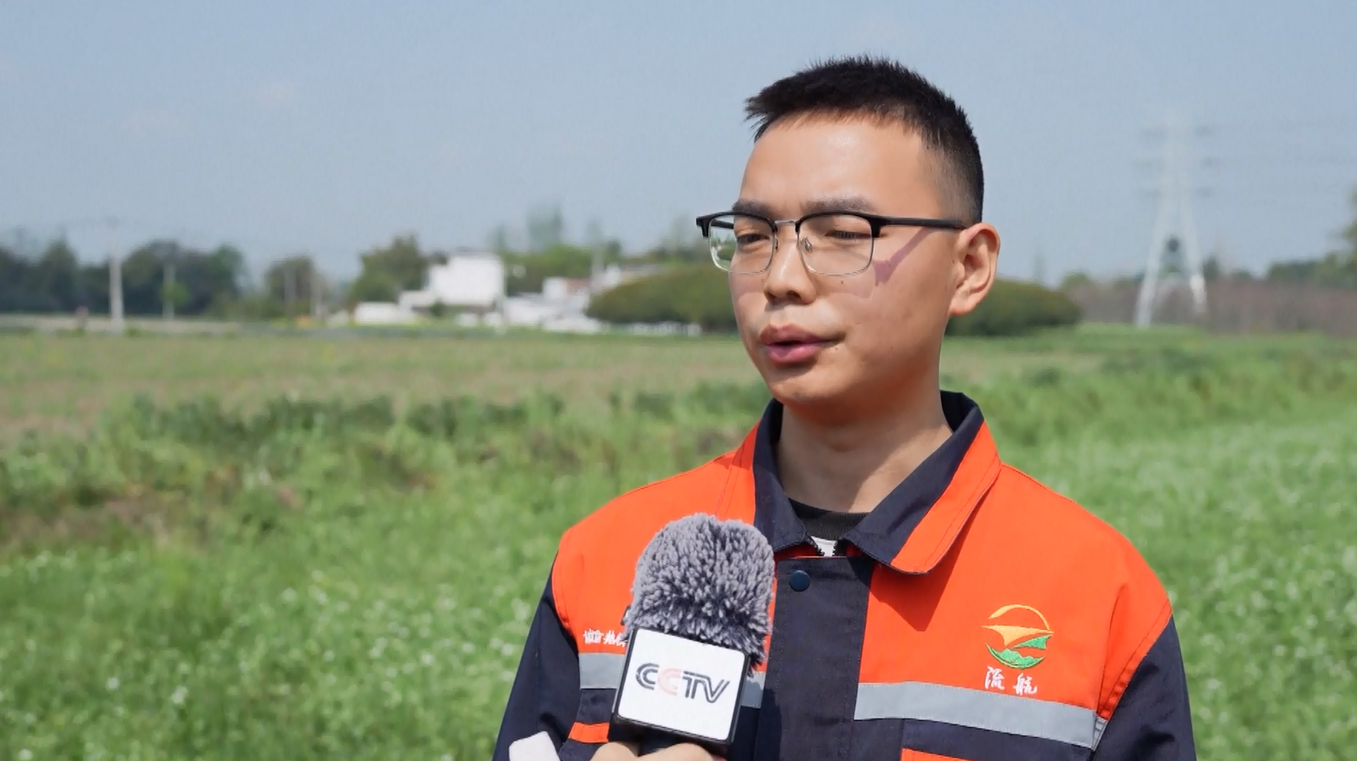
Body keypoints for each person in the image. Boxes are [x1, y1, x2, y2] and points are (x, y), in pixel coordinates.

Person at [492, 55, 1196, 761]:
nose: (781, 278)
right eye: (750, 237)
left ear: (969, 266)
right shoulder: (609, 558)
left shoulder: (1096, 596)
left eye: (841, 231)